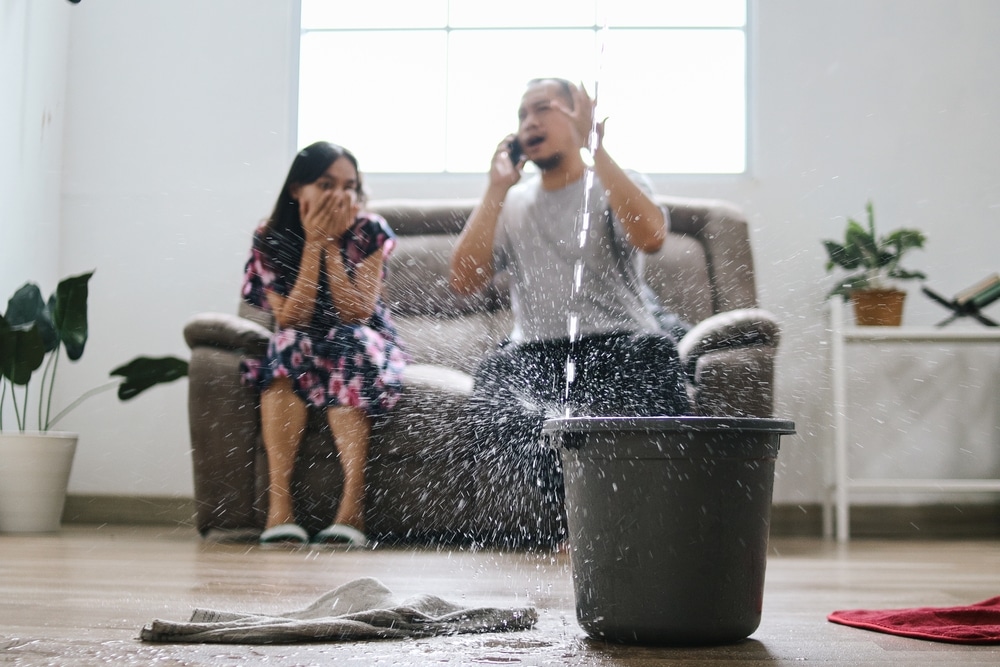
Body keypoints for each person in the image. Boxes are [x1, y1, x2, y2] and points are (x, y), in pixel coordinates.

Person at [449, 78, 690, 546]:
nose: (529, 122)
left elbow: (652, 237)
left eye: (543, 108)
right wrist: (496, 188)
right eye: (522, 115)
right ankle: (574, 524)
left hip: (620, 344)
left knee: (658, 358)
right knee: (494, 379)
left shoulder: (613, 183)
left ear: (576, 114)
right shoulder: (512, 203)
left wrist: (596, 150)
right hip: (537, 353)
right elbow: (464, 281)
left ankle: (654, 525)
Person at [240, 141, 407, 547]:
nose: (340, 195)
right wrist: (313, 243)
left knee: (349, 342)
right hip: (301, 341)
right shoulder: (271, 236)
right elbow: (291, 317)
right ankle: (280, 509)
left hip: (361, 340)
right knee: (287, 344)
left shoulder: (370, 230)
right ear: (297, 189)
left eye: (349, 186)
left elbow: (356, 314)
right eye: (326, 183)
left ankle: (352, 509)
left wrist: (331, 246)